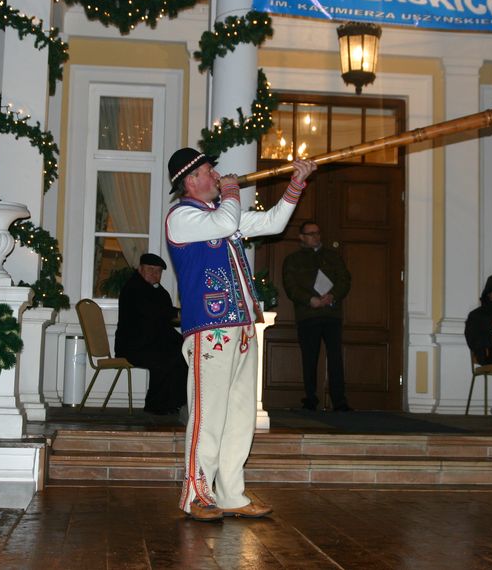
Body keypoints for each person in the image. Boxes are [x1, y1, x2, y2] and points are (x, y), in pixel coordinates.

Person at [165, 146, 315, 522]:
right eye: (209, 171)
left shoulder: (221, 215)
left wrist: (296, 184)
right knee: (209, 413)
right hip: (210, 329)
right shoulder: (182, 216)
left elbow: (273, 224)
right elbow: (225, 223)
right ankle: (196, 494)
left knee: (240, 413)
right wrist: (232, 191)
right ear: (190, 180)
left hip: (242, 326)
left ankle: (231, 493)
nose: (217, 176)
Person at [282, 221, 352, 412]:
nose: (316, 237)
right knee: (309, 357)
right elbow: (290, 286)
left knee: (335, 357)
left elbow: (345, 279)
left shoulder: (332, 256)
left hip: (331, 314)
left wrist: (333, 296)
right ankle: (310, 399)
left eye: (317, 233)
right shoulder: (293, 260)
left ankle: (339, 400)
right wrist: (309, 300)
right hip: (308, 315)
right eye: (311, 234)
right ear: (301, 237)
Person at [114, 253, 187, 416]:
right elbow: (154, 312)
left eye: (158, 271)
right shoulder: (133, 288)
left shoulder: (159, 291)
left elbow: (166, 319)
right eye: (150, 269)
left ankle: (175, 403)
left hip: (151, 342)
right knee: (166, 358)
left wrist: (182, 317)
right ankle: (156, 405)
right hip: (133, 346)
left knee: (183, 351)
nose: (155, 274)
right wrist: (181, 314)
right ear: (140, 269)